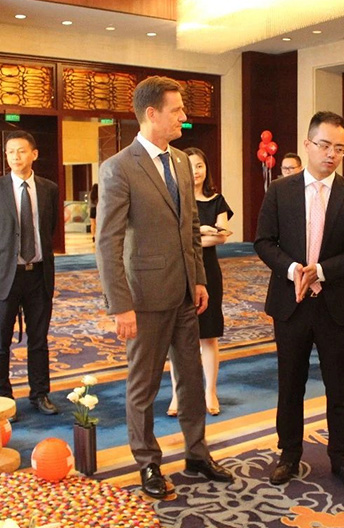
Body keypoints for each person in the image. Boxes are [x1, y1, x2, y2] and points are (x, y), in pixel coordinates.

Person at [96, 76, 233, 500]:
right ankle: (147, 461)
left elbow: (190, 226)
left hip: (185, 294)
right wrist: (120, 305)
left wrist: (198, 279)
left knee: (191, 378)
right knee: (144, 385)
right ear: (152, 114)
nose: (184, 117)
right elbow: (107, 242)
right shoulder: (119, 167)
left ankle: (197, 452)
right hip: (144, 298)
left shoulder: (180, 162)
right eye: (177, 110)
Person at [254, 111, 344, 489]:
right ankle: (288, 454)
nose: (331, 154)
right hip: (290, 304)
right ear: (307, 145)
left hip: (335, 303)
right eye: (324, 145)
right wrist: (293, 270)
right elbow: (263, 242)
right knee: (290, 383)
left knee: (339, 386)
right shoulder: (280, 190)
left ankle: (342, 457)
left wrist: (319, 271)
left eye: (340, 148)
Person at [166, 147, 233, 417]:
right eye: (190, 166)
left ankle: (210, 391)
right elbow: (172, 238)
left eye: (200, 166)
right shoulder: (174, 199)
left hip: (209, 271)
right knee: (178, 337)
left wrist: (193, 238)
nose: (195, 171)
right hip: (179, 272)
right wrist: (204, 233)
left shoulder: (216, 200)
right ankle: (177, 394)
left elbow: (222, 236)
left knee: (208, 334)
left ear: (207, 169)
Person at [0, 130, 59, 420]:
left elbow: (49, 228)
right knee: (1, 341)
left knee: (39, 339)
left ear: (34, 154)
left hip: (38, 275)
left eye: (21, 151)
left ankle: (40, 394)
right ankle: (3, 399)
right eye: (10, 151)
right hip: (5, 277)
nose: (15, 157)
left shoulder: (49, 189)